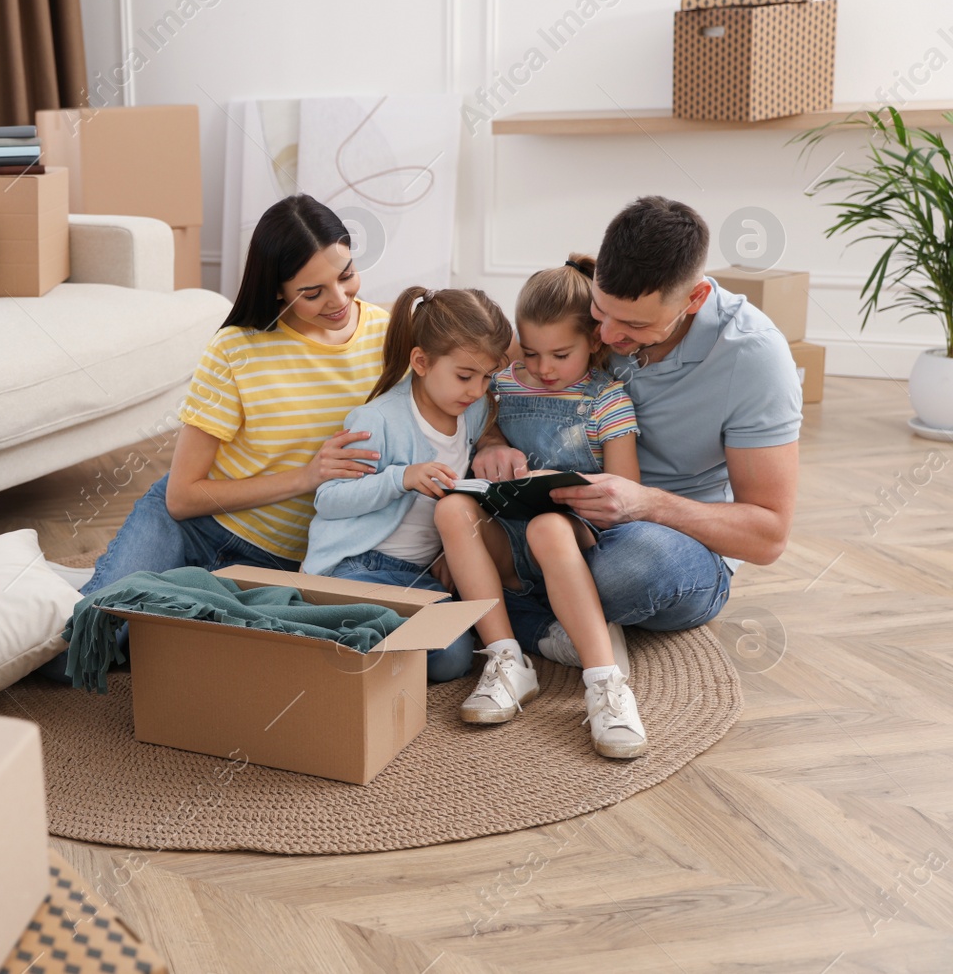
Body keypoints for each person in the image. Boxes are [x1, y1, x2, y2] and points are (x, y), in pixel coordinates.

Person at [34, 194, 390, 682]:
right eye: (313, 292)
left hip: (290, 562)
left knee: (177, 656)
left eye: (346, 274)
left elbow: (470, 381)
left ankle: (125, 588)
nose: (339, 300)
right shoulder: (236, 350)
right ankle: (91, 588)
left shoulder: (388, 336)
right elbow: (181, 498)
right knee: (74, 658)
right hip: (195, 527)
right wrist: (308, 476)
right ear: (279, 291)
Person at [470, 196, 802, 675]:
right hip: (560, 525)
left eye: (634, 325)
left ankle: (514, 617)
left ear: (695, 299)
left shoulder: (752, 357)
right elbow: (501, 379)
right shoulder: (589, 307)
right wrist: (491, 441)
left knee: (627, 570)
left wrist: (647, 504)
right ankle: (549, 617)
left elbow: (768, 536)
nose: (606, 334)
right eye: (601, 312)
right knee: (453, 527)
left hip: (670, 541)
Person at [433, 256, 648, 757]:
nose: (543, 369)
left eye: (560, 354)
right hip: (506, 535)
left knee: (547, 527)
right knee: (449, 512)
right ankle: (508, 660)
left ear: (594, 341)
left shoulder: (607, 400)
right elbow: (478, 430)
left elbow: (626, 489)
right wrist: (489, 444)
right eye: (530, 353)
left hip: (571, 535)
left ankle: (605, 684)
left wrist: (562, 482)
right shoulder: (503, 385)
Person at [301, 286, 513, 682]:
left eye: (487, 377)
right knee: (434, 649)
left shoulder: (473, 408)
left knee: (457, 654)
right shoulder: (376, 419)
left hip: (420, 577)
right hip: (358, 566)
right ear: (421, 361)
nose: (477, 390)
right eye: (465, 376)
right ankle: (323, 626)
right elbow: (328, 500)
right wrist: (400, 477)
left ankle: (352, 636)